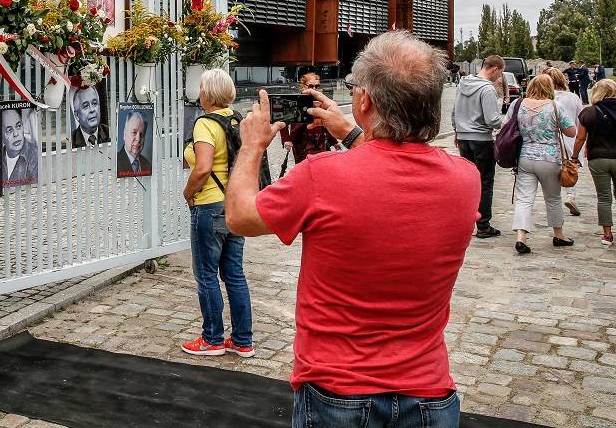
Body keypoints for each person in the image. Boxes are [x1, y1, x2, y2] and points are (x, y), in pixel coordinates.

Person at [226, 32, 478, 428]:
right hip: (429, 393)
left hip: (338, 391)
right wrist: (351, 132)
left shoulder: (321, 176)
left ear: (365, 102)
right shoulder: (465, 179)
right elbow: (394, 169)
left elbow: (240, 216)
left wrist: (253, 146)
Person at [179, 69, 253, 358]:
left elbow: (203, 167)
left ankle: (212, 338)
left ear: (206, 94)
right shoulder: (238, 121)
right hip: (235, 204)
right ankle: (243, 339)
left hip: (209, 205)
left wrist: (188, 193)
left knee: (206, 274)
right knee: (234, 274)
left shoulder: (205, 124)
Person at [511, 74, 576, 254]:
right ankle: (559, 234)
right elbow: (571, 132)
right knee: (553, 198)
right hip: (549, 158)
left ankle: (521, 236)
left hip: (525, 156)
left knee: (524, 198)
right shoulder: (555, 106)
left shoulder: (518, 105)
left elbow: (506, 125)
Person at [572, 79, 616, 246]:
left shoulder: (589, 112)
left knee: (604, 197)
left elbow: (580, 137)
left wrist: (574, 157)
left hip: (598, 158)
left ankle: (607, 235)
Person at [453, 54, 505, 238]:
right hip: (481, 139)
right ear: (495, 69)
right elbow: (492, 119)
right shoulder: (487, 89)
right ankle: (483, 225)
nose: (499, 77)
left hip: (463, 138)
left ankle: (464, 219)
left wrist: (457, 131)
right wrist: (504, 122)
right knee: (485, 182)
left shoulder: (462, 84)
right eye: (500, 73)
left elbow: (455, 111)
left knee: (468, 180)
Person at [278, 71, 336, 176]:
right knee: (304, 169)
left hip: (320, 141)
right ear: (303, 86)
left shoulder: (322, 101)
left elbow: (327, 123)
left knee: (321, 167)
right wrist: (287, 139)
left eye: (317, 86)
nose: (314, 89)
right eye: (311, 86)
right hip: (302, 141)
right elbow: (283, 121)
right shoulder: (296, 102)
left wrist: (334, 141)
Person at [546, 68, 583, 216]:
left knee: (553, 171)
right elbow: (580, 120)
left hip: (550, 139)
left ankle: (554, 199)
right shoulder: (573, 98)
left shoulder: (545, 98)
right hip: (570, 138)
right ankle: (570, 195)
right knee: (570, 169)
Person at [0, 107, 39, 186]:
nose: (16, 134)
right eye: (9, 130)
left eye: (18, 126)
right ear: (1, 136)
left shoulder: (35, 155)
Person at [116, 110, 152, 176]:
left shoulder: (147, 164)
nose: (138, 139)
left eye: (141, 134)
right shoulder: (116, 163)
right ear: (125, 134)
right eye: (134, 132)